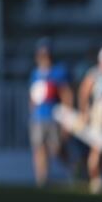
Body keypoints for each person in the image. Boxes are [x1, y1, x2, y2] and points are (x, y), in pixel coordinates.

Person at [27, 38, 71, 187]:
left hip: (54, 116)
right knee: (39, 148)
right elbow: (33, 95)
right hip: (38, 117)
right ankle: (42, 178)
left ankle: (72, 170)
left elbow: (66, 94)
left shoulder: (58, 71)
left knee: (56, 148)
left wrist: (67, 116)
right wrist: (31, 111)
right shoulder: (35, 73)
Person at [79, 45, 102, 194]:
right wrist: (84, 111)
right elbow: (84, 92)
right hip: (99, 113)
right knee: (97, 147)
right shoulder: (95, 73)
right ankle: (95, 180)